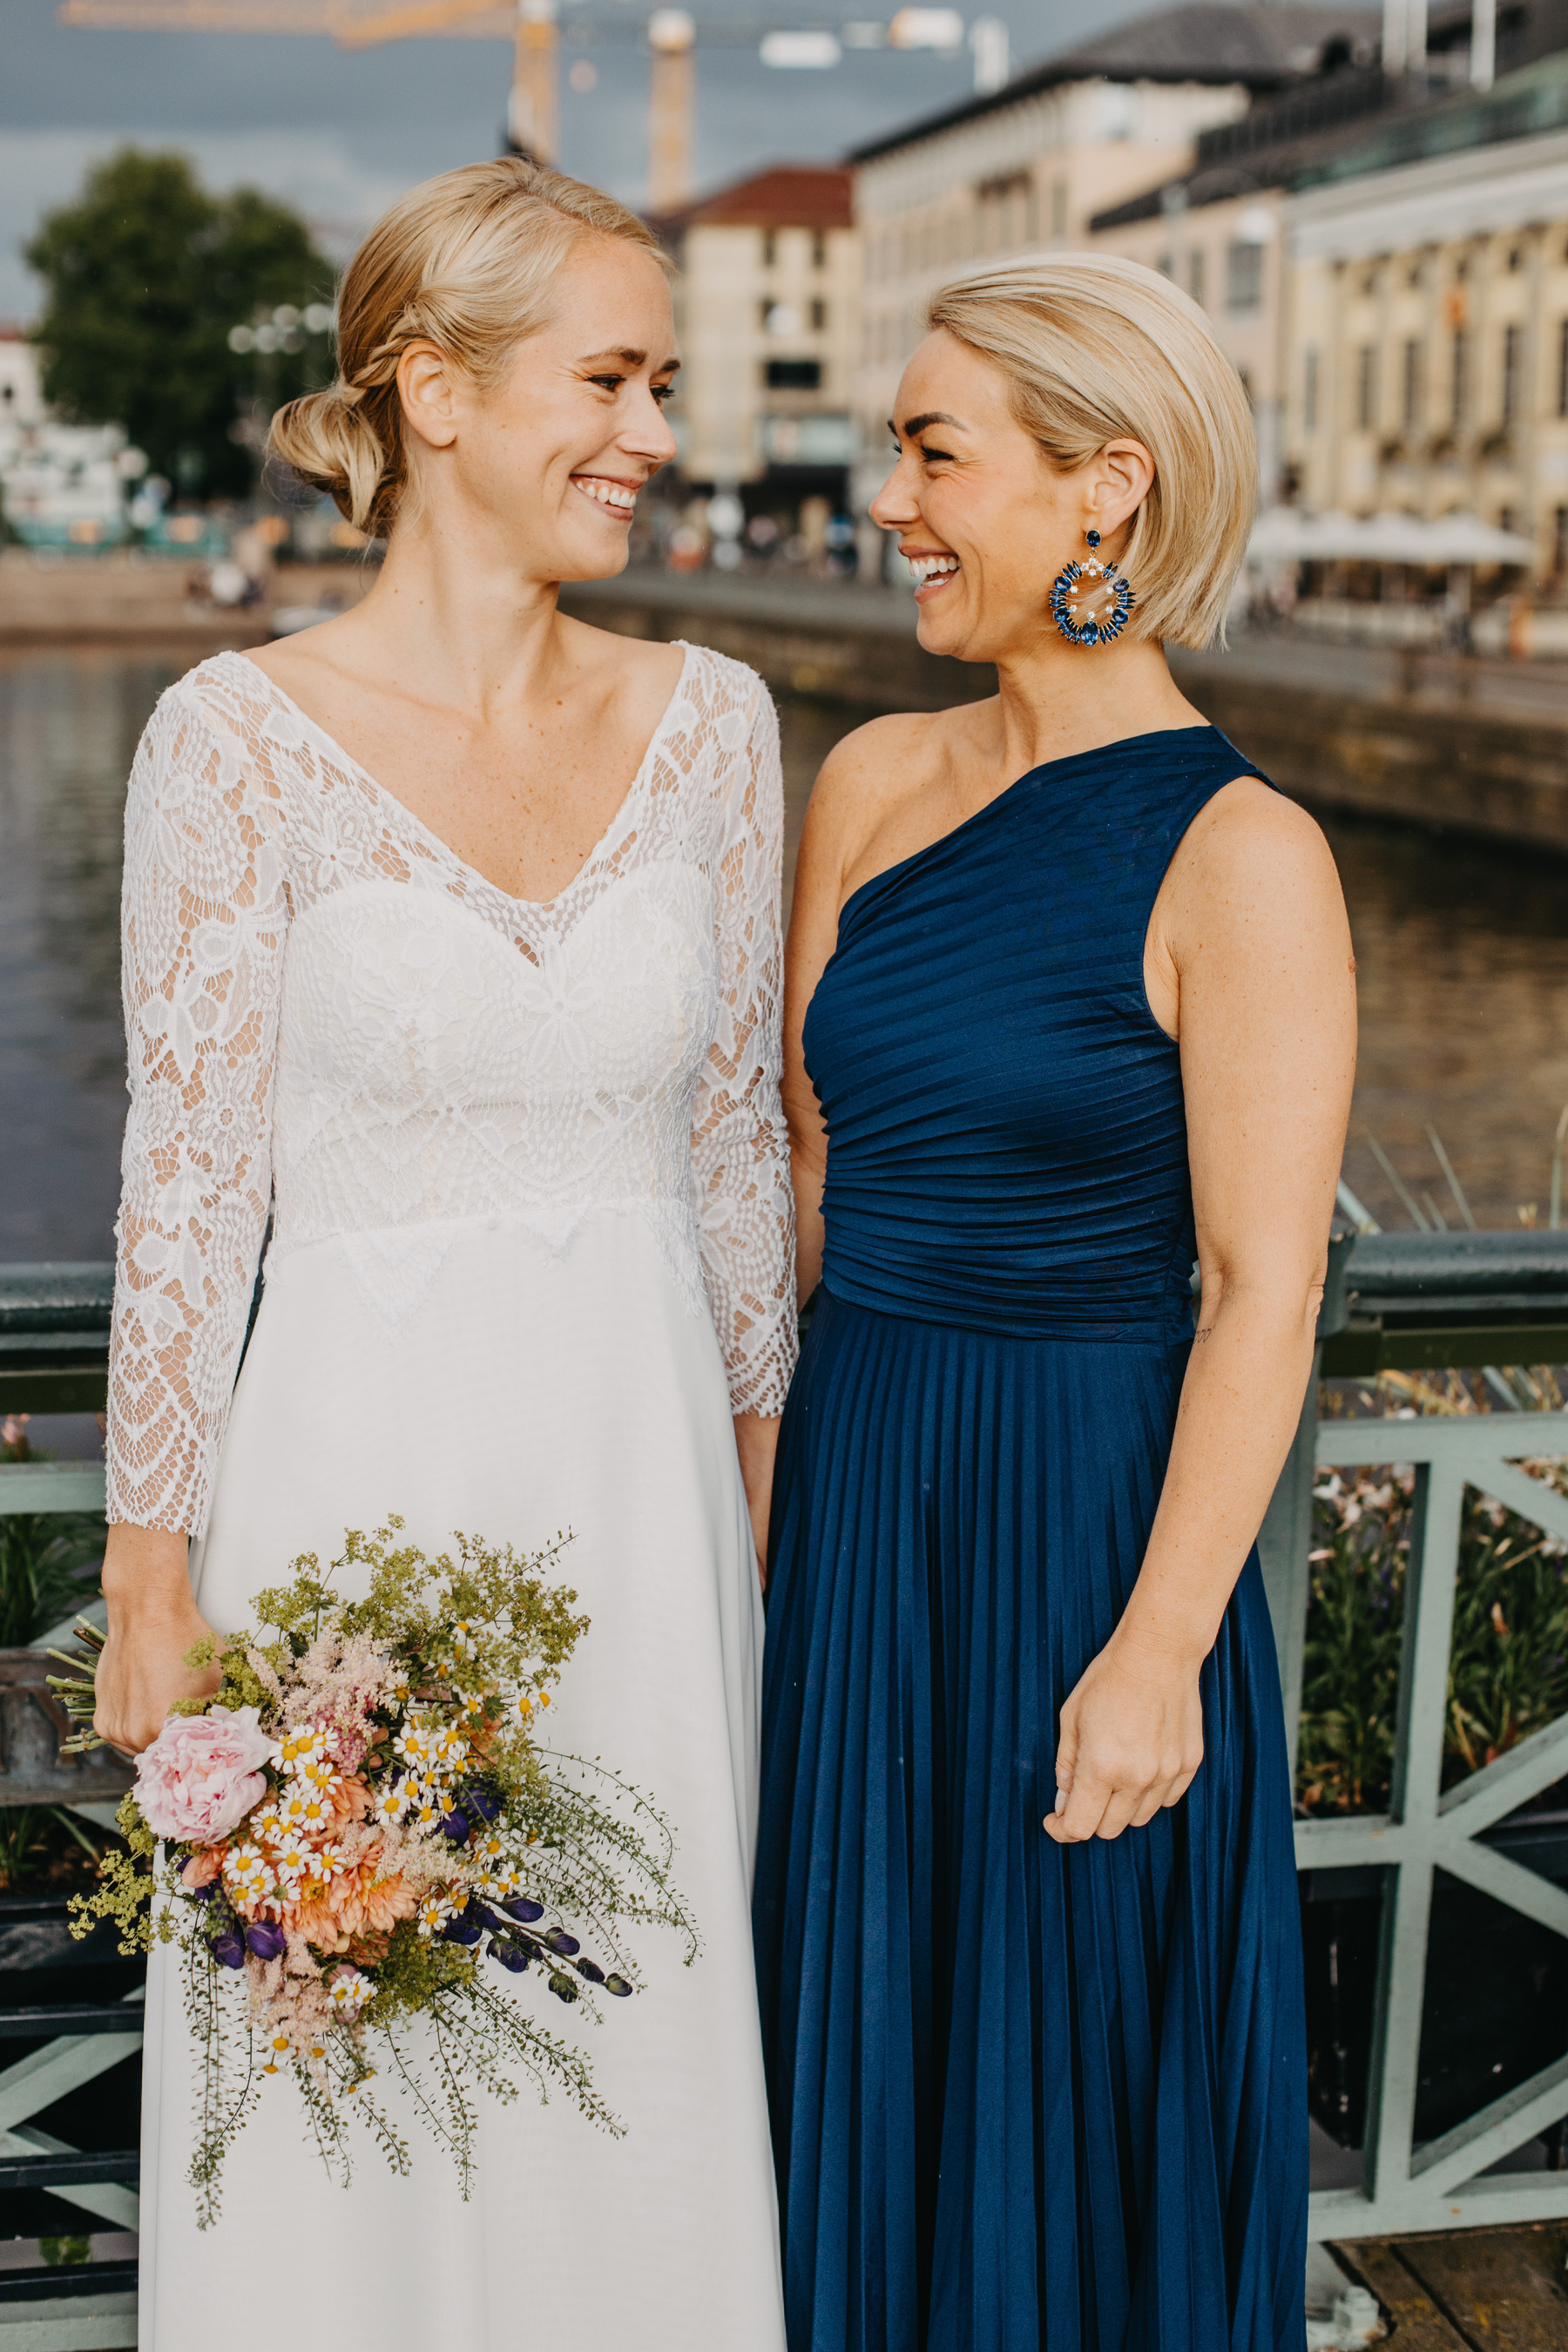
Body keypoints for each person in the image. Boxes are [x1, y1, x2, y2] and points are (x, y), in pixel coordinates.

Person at [95, 159, 792, 2350]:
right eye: (611, 375)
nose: (656, 433)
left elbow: (740, 1156)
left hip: (652, 1504)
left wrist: (765, 1531)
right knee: (354, 2061)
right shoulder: (232, 742)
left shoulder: (718, 728)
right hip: (351, 1495)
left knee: (641, 2053)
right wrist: (148, 1579)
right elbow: (187, 1182)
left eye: (661, 381)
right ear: (434, 389)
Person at [754, 253, 1355, 2352]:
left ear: (1108, 488)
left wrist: (1163, 1651)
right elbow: (810, 1177)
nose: (891, 503)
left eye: (934, 451)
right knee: (857, 2047)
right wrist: (753, 1512)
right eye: (892, 448)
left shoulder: (1243, 852)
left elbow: (1267, 1292)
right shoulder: (869, 783)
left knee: (1058, 2072)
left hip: (1078, 1537)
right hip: (854, 1504)